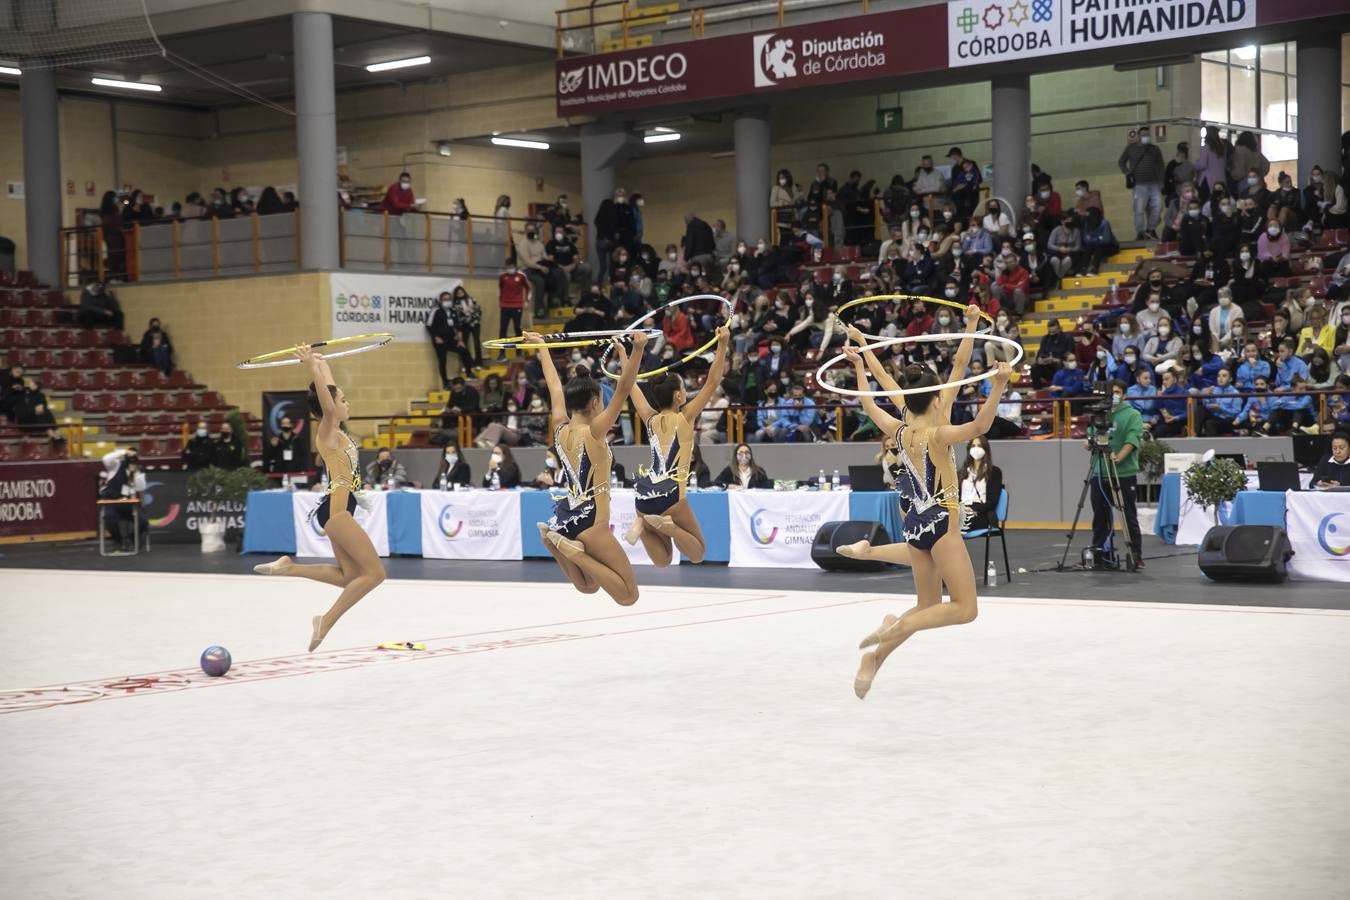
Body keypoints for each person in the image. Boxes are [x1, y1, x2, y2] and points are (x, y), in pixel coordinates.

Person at [841, 307, 1014, 700]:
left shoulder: (899, 425)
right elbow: (980, 426)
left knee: (927, 605)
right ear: (937, 398)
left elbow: (874, 396)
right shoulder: (940, 434)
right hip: (942, 525)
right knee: (965, 609)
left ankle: (875, 657)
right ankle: (896, 627)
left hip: (915, 523)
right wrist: (999, 384)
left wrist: (862, 358)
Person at [254, 346, 386, 652]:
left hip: (337, 509)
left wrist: (321, 363)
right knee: (375, 574)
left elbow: (328, 394)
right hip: (338, 512)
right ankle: (325, 621)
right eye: (343, 400)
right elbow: (327, 404)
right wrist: (311, 367)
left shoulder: (337, 431)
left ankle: (290, 568)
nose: (346, 402)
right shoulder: (326, 431)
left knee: (350, 577)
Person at [531, 330, 647, 606]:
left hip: (568, 517)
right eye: (602, 401)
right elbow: (622, 389)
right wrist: (637, 351)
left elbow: (554, 387)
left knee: (588, 586)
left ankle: (556, 542)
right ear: (596, 402)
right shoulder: (595, 431)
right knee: (629, 595)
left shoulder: (559, 428)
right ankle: (568, 548)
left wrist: (542, 347)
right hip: (592, 520)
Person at [619, 326, 730, 565]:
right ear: (679, 397)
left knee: (663, 561)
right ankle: (669, 528)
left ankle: (643, 524)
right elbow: (712, 381)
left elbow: (628, 385)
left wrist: (623, 354)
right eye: (683, 389)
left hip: (644, 495)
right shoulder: (686, 416)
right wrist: (722, 344)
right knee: (698, 553)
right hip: (671, 493)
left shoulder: (650, 418)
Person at [1087, 380, 1144, 570]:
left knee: (1127, 514)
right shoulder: (1099, 414)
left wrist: (1120, 456)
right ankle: (1100, 553)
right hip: (1100, 470)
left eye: (1117, 392)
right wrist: (1090, 443)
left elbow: (1133, 437)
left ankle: (1135, 554)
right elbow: (1092, 435)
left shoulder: (1132, 415)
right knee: (1100, 515)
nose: (1113, 396)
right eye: (1110, 393)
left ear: (1125, 395)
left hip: (1123, 473)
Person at [1118, 125, 1165, 239]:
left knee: (1158, 206)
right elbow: (1121, 162)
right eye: (1143, 135)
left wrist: (1161, 181)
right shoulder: (1130, 148)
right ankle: (1140, 233)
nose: (1146, 137)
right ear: (1138, 136)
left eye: (1148, 135)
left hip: (1154, 183)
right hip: (1139, 185)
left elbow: (1160, 165)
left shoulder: (1154, 149)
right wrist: (1127, 172)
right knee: (1138, 209)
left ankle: (1150, 229)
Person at [99, 447, 147, 552]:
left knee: (144, 522)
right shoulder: (115, 466)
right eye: (130, 457)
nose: (131, 461)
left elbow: (140, 488)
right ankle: (118, 541)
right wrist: (124, 451)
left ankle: (130, 538)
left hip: (129, 504)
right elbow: (105, 458)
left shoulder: (138, 470)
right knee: (109, 518)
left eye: (134, 457)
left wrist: (136, 476)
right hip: (112, 502)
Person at [957, 435, 1003, 532]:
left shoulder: (994, 472)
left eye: (979, 446)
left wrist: (972, 509)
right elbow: (956, 497)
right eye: (973, 446)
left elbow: (992, 501)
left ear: (985, 449)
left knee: (951, 526)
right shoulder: (961, 472)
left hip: (982, 514)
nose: (976, 449)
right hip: (961, 512)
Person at [427, 291, 473, 386]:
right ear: (440, 300)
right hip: (439, 341)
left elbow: (459, 326)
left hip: (452, 339)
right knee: (442, 361)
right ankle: (445, 382)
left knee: (464, 350)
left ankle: (469, 373)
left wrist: (460, 340)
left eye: (449, 299)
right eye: (445, 299)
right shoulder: (436, 310)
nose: (447, 301)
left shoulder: (454, 311)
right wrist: (435, 337)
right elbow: (429, 325)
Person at [496, 263, 530, 360]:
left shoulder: (521, 276)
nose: (510, 269)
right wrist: (500, 301)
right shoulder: (502, 277)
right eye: (508, 267)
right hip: (505, 306)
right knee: (503, 329)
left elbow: (528, 288)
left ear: (515, 267)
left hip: (517, 306)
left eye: (511, 267)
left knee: (517, 328)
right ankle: (502, 354)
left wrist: (526, 301)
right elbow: (500, 289)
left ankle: (519, 352)